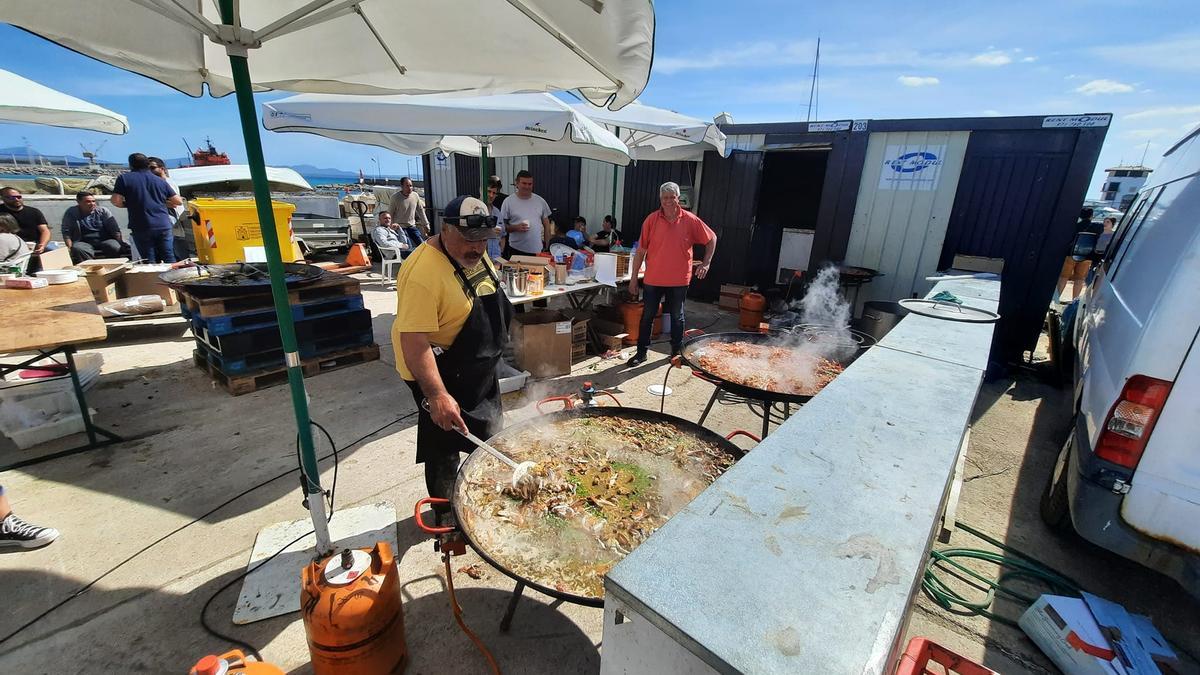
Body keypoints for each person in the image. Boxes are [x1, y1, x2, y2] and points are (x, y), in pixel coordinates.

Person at [392, 195, 510, 525]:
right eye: (468, 240)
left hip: (476, 366)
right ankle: (445, 511)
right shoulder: (421, 274)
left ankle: (484, 494)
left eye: (483, 240)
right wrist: (437, 395)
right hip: (438, 368)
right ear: (445, 229)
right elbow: (414, 342)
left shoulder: (476, 253)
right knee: (444, 439)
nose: (477, 248)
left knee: (488, 429)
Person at [627, 182, 717, 366]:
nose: (668, 201)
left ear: (678, 198)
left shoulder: (690, 220)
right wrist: (634, 278)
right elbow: (641, 251)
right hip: (653, 278)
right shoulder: (651, 220)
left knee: (677, 316)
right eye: (664, 198)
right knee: (647, 316)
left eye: (671, 197)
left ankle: (676, 353)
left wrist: (706, 263)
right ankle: (641, 353)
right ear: (660, 199)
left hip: (679, 279)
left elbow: (712, 238)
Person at [111, 153, 182, 263]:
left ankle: (153, 280)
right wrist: (159, 202)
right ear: (147, 164)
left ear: (131, 165)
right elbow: (178, 201)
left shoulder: (124, 179)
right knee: (169, 257)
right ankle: (173, 279)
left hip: (141, 225)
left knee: (149, 260)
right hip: (163, 224)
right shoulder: (160, 180)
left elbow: (116, 201)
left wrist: (129, 204)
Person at [499, 170, 552, 258]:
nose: (527, 186)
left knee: (537, 272)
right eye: (524, 183)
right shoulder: (508, 201)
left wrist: (547, 247)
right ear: (517, 183)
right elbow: (502, 226)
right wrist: (516, 227)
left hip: (538, 250)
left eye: (530, 184)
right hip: (516, 250)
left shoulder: (540, 201)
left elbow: (547, 225)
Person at [1, 187, 54, 273]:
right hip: (10, 245)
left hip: (33, 244)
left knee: (52, 254)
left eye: (19, 197)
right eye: (12, 197)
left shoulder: (34, 212)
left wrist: (42, 245)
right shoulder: (2, 212)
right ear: (3, 198)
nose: (16, 199)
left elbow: (45, 231)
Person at [62, 191, 126, 263]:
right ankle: (91, 267)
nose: (92, 204)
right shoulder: (71, 212)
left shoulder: (103, 211)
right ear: (78, 202)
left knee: (114, 246)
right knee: (77, 248)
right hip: (83, 242)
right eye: (88, 201)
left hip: (105, 240)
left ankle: (114, 265)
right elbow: (66, 232)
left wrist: (120, 242)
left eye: (93, 201)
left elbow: (115, 229)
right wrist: (69, 248)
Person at [1056, 207, 1101, 301]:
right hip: (1087, 256)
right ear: (1091, 216)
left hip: (1071, 254)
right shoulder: (1096, 227)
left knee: (1063, 277)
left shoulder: (1075, 226)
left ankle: (1057, 297)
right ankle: (1074, 300)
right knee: (1079, 279)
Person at [148, 157, 187, 221]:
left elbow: (175, 203)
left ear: (162, 168)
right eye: (147, 169)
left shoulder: (167, 182)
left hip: (173, 217)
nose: (150, 171)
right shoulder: (159, 182)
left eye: (152, 168)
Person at [485, 180, 506, 262]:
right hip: (480, 261)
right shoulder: (474, 209)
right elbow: (468, 235)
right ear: (481, 190)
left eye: (494, 193)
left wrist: (501, 252)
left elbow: (503, 236)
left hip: (496, 259)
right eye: (489, 191)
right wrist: (489, 232)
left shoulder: (497, 212)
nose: (491, 195)